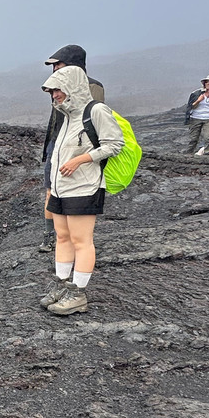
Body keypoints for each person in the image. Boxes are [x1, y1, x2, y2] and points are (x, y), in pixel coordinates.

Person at [39, 65, 124, 315]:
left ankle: (78, 294)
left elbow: (114, 144)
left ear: (72, 86)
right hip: (61, 188)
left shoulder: (95, 111)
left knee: (81, 240)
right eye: (51, 91)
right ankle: (61, 285)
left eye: (57, 89)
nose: (54, 95)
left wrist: (81, 159)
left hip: (84, 187)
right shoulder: (67, 116)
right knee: (62, 237)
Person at [39, 45, 106, 253]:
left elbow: (92, 117)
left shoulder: (92, 86)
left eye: (58, 64)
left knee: (78, 192)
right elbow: (56, 119)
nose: (55, 69)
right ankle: (53, 236)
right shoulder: (57, 85)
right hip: (57, 145)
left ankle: (77, 239)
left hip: (78, 147)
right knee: (52, 190)